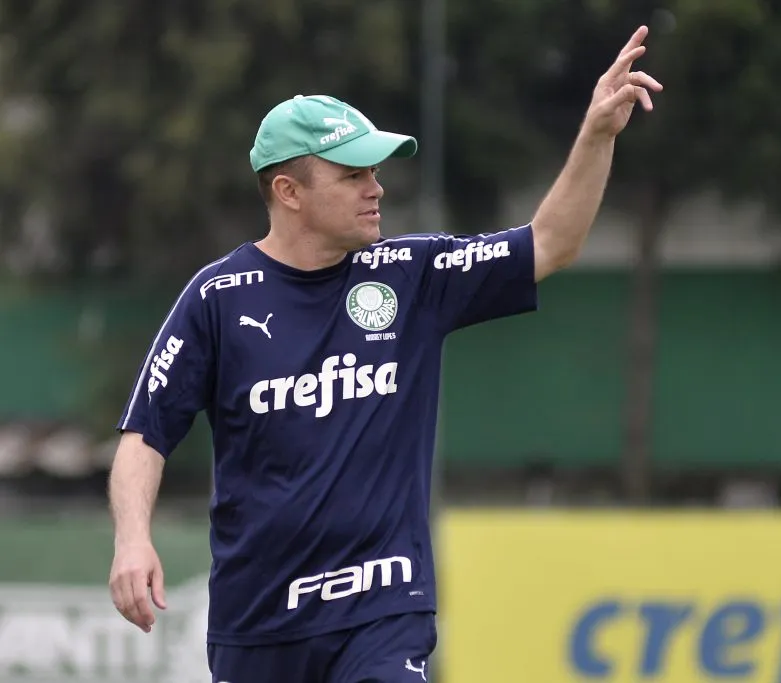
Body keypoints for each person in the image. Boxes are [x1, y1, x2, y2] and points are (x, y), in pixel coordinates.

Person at [107, 24, 662, 683]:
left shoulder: (411, 273)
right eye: (353, 174)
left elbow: (551, 242)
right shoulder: (217, 298)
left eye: (376, 170)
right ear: (289, 192)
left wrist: (597, 134)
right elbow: (145, 435)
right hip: (257, 625)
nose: (377, 187)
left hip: (382, 610)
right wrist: (132, 537)